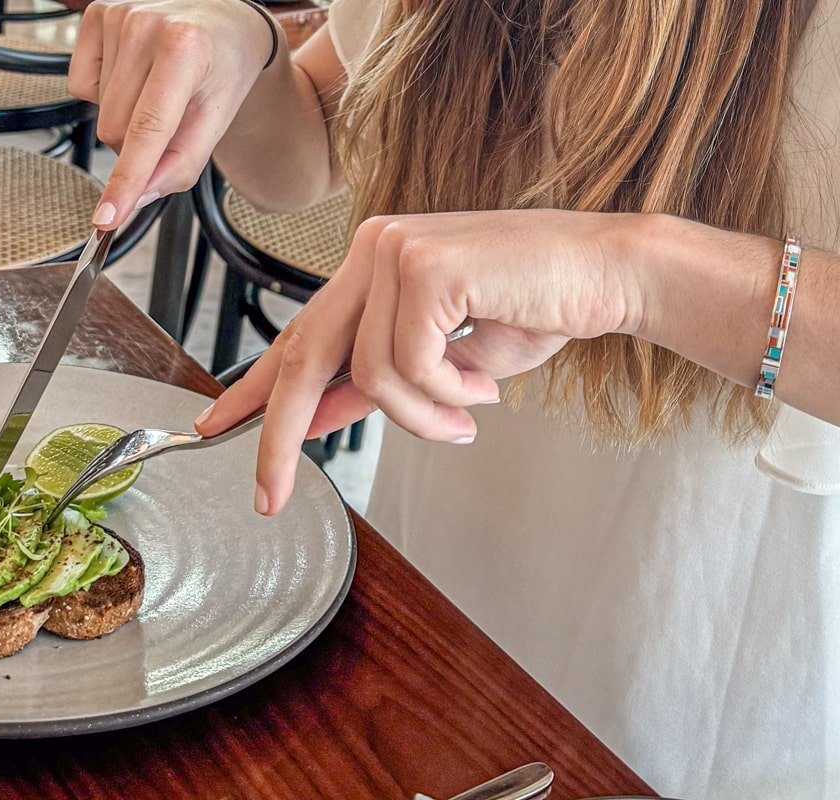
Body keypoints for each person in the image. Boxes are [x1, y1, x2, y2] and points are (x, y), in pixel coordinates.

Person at [70, 0, 840, 796]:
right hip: (445, 593)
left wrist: (633, 268)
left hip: (716, 647)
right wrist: (250, 46)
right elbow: (306, 154)